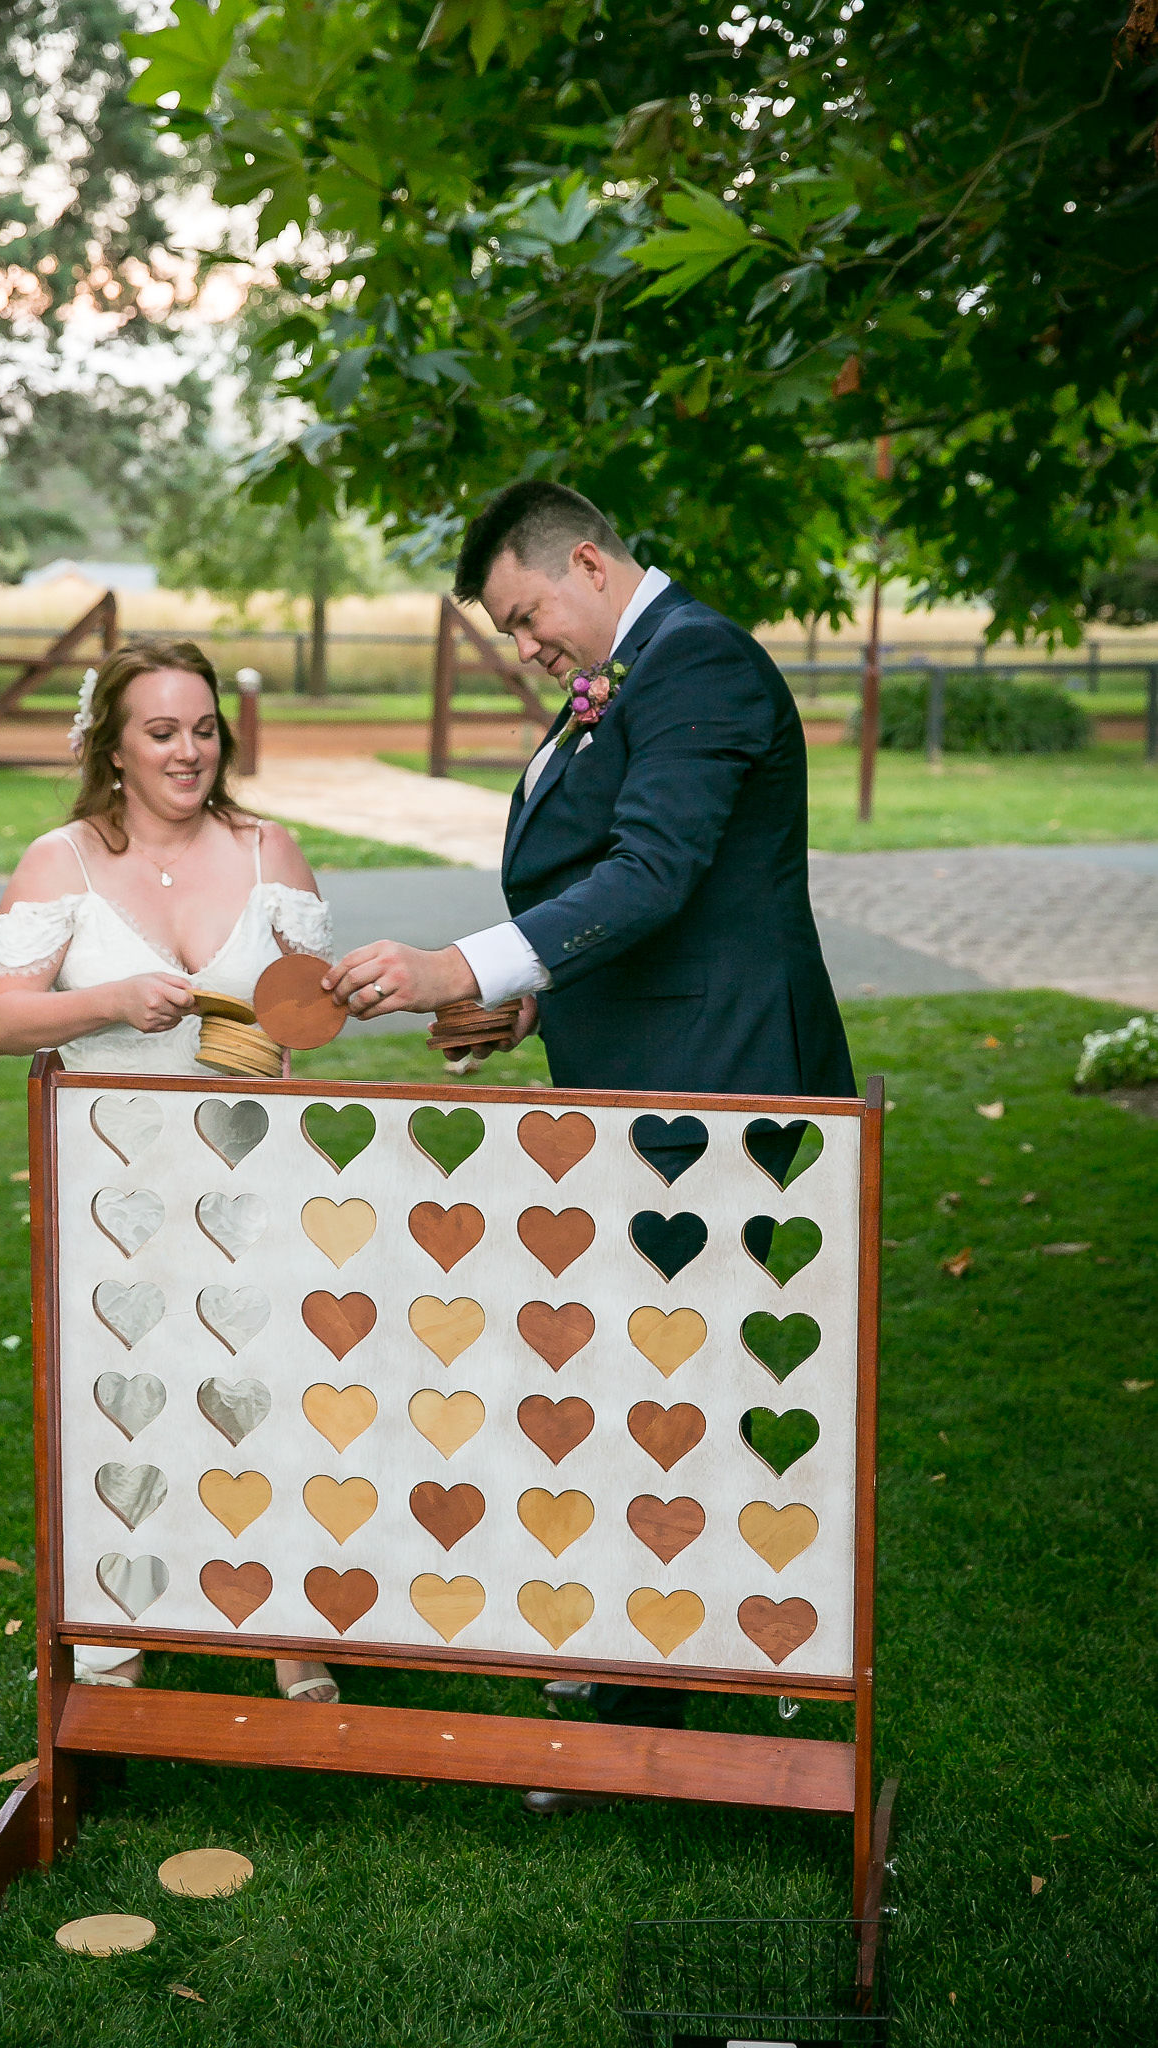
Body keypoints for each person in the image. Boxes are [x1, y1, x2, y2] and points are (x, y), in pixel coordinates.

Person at [323, 480, 856, 1811]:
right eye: (509, 632)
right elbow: (610, 898)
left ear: (586, 558)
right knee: (640, 1380)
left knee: (670, 1389)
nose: (528, 648)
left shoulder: (702, 666)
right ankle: (665, 1658)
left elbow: (656, 873)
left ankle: (655, 1710)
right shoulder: (634, 669)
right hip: (636, 1071)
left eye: (526, 616)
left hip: (713, 1081)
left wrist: (455, 960)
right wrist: (518, 996)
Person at [0, 637, 340, 1706]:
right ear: (115, 745)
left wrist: (325, 1000)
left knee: (263, 1388)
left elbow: (303, 1025)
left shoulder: (272, 850)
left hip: (253, 1180)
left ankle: (287, 1628)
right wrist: (111, 999)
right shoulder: (64, 859)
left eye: (204, 728)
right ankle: (120, 1630)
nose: (189, 750)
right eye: (162, 730)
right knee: (128, 1398)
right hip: (116, 1188)